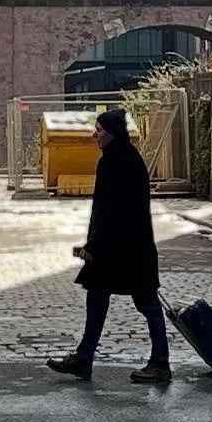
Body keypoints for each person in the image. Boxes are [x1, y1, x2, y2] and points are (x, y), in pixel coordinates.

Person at [47, 107, 171, 383]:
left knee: (147, 303)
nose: (95, 135)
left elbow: (111, 211)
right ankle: (84, 357)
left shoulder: (116, 163)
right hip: (123, 248)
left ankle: (160, 363)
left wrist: (92, 245)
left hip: (125, 250)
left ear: (112, 134)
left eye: (99, 130)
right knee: (99, 297)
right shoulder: (126, 159)